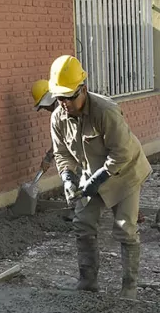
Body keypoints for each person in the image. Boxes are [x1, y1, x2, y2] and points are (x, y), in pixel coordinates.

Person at [47, 55, 152, 299]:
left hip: (125, 173)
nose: (64, 103)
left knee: (125, 228)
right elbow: (62, 152)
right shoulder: (58, 118)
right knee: (82, 224)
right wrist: (67, 177)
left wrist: (100, 177)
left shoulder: (105, 111)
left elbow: (122, 152)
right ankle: (87, 284)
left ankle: (129, 288)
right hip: (90, 173)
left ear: (83, 89)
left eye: (69, 97)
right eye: (59, 97)